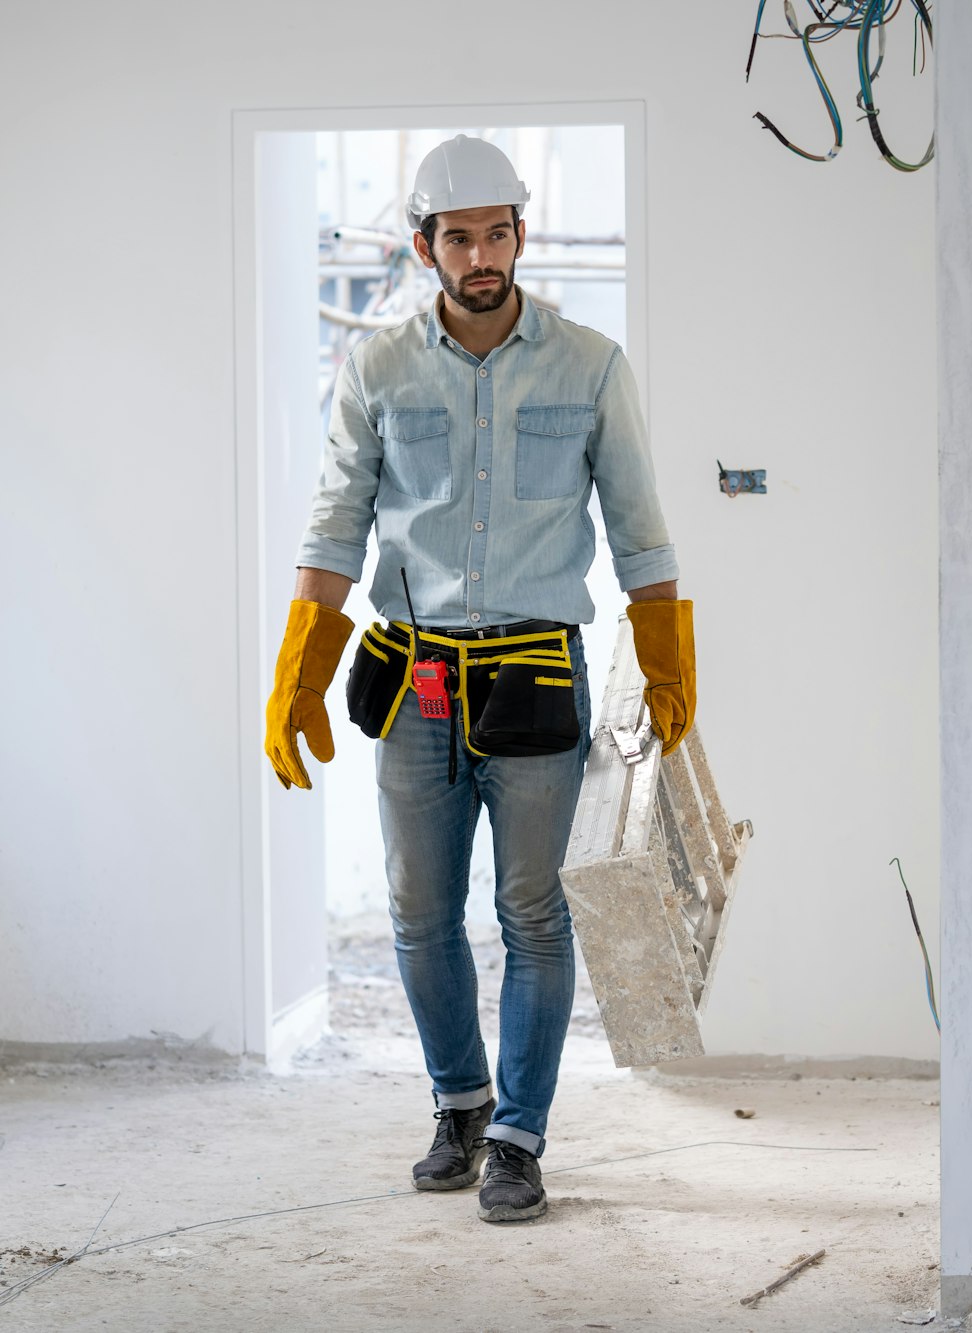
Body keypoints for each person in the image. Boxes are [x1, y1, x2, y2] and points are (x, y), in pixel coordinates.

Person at [263, 134, 695, 1223]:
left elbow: (641, 532)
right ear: (424, 247)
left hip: (536, 672)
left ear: (518, 232)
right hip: (412, 679)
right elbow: (335, 523)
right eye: (458, 237)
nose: (482, 255)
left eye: (498, 232)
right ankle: (459, 1103)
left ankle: (517, 1133)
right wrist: (297, 672)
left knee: (534, 914)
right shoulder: (376, 369)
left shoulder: (591, 366)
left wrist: (665, 661)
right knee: (417, 912)